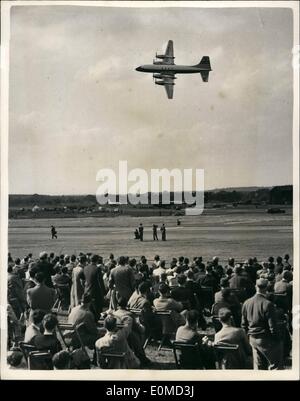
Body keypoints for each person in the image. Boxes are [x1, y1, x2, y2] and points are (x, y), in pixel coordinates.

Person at [241, 278, 283, 370]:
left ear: (256, 287)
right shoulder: (268, 304)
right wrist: (278, 339)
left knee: (259, 368)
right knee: (276, 367)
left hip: (252, 339)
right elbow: (273, 327)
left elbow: (243, 325)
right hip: (266, 339)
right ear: (266, 288)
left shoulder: (246, 302)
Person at [83, 254, 106, 319]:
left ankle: (92, 319)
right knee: (98, 307)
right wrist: (104, 292)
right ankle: (96, 320)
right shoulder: (97, 269)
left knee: (90, 307)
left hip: (87, 290)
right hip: (95, 291)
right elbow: (100, 282)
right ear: (97, 260)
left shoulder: (85, 268)